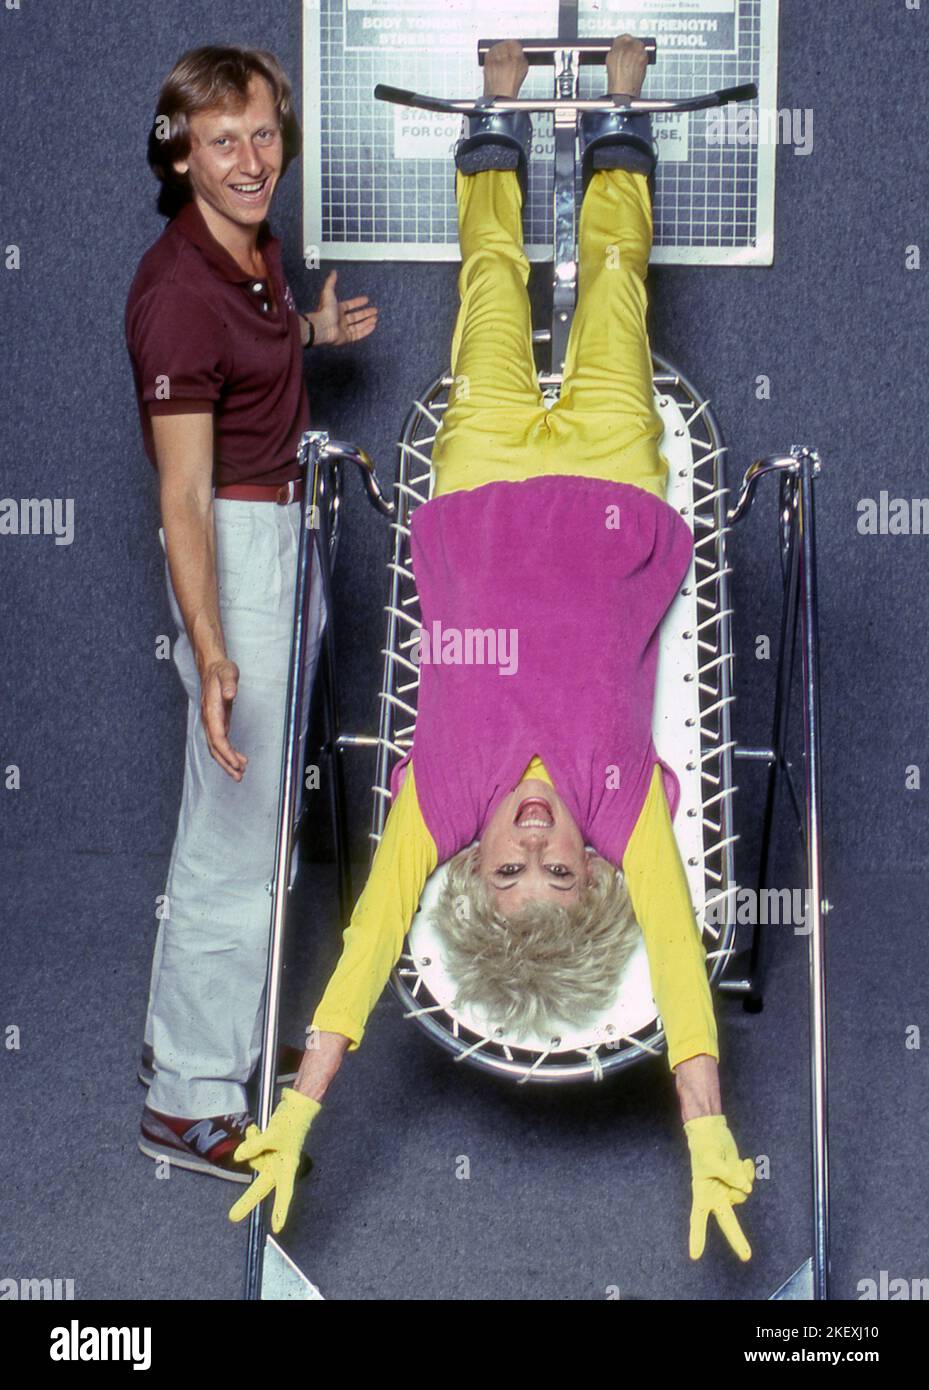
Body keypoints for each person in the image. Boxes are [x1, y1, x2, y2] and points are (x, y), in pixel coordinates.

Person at [229, 36, 755, 1263]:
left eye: (506, 881)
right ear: (594, 873)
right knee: (616, 279)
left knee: (485, 285)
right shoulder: (621, 806)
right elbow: (675, 961)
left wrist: (300, 1103)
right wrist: (705, 1123)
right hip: (617, 485)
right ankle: (623, 105)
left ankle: (496, 110)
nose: (529, 854)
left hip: (475, 484)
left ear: (469, 878)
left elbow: (364, 953)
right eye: (556, 880)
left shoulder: (443, 801)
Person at [124, 45, 379, 1182]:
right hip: (233, 550)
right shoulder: (175, 297)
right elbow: (180, 493)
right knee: (236, 839)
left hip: (285, 532)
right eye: (222, 141)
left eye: (265, 134)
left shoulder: (255, 255)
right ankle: (188, 1100)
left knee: (246, 824)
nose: (250, 161)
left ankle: (200, 1041)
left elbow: (258, 358)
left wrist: (312, 333)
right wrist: (215, 649)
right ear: (180, 154)